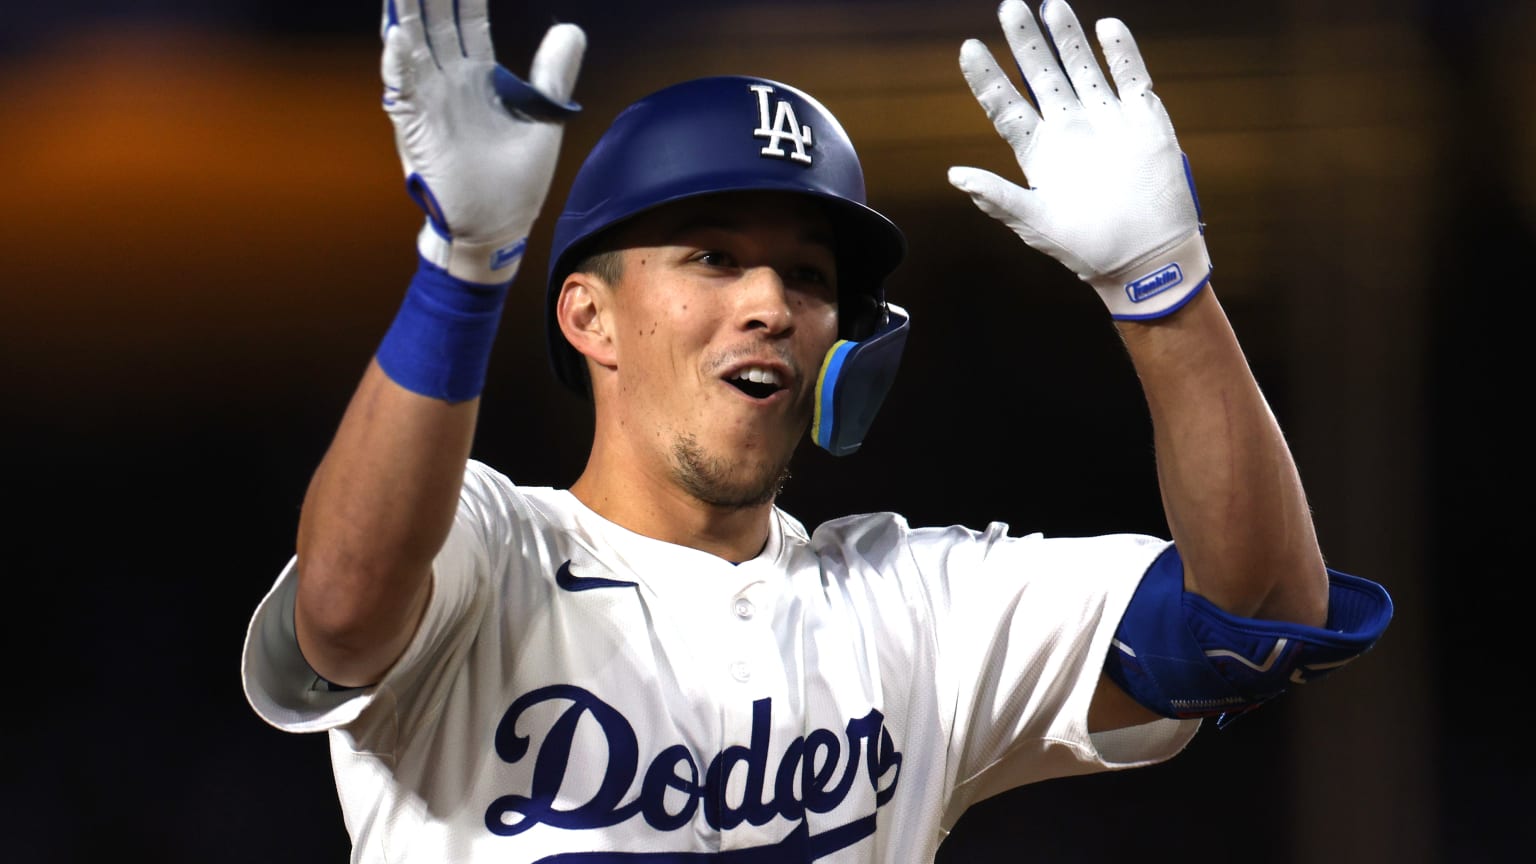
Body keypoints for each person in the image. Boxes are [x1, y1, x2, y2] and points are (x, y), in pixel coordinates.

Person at [241, 0, 1394, 861]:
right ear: (589, 315)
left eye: (805, 274)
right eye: (712, 257)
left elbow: (1257, 614)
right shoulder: (491, 550)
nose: (769, 303)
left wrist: (1166, 292)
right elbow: (343, 606)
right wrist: (462, 273)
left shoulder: (912, 606)